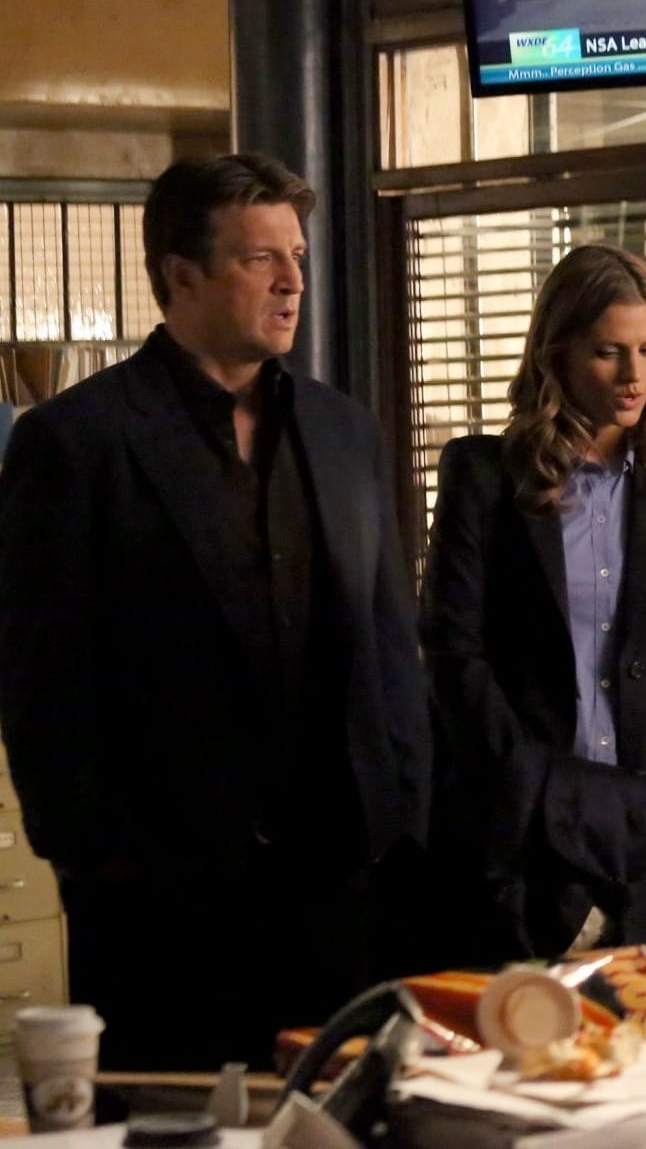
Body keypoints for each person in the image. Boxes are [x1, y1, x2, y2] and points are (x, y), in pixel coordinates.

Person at [0, 154, 431, 1069]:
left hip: (340, 884)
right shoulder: (75, 442)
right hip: (161, 903)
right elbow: (42, 681)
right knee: (173, 1121)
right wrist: (100, 857)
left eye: (297, 256)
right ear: (181, 275)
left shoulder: (343, 431)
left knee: (338, 1120)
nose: (292, 282)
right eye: (259, 258)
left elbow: (389, 641)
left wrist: (403, 810)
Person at [421, 245, 646, 963]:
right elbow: (453, 652)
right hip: (515, 838)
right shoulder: (484, 477)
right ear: (557, 353)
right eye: (608, 352)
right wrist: (535, 790)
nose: (633, 376)